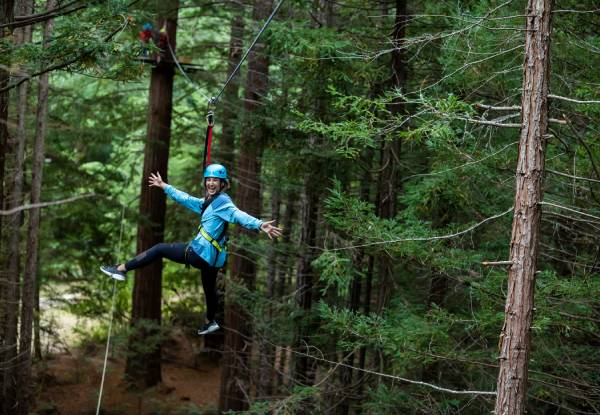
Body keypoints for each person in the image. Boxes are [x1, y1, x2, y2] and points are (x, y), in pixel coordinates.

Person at [100, 164, 282, 335]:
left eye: (215, 181)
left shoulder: (223, 202)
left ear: (222, 184)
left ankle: (121, 269)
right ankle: (210, 321)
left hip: (200, 253)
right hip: (213, 258)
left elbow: (237, 214)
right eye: (208, 180)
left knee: (160, 249)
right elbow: (186, 199)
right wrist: (164, 186)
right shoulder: (209, 202)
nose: (211, 183)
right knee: (209, 289)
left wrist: (259, 225)